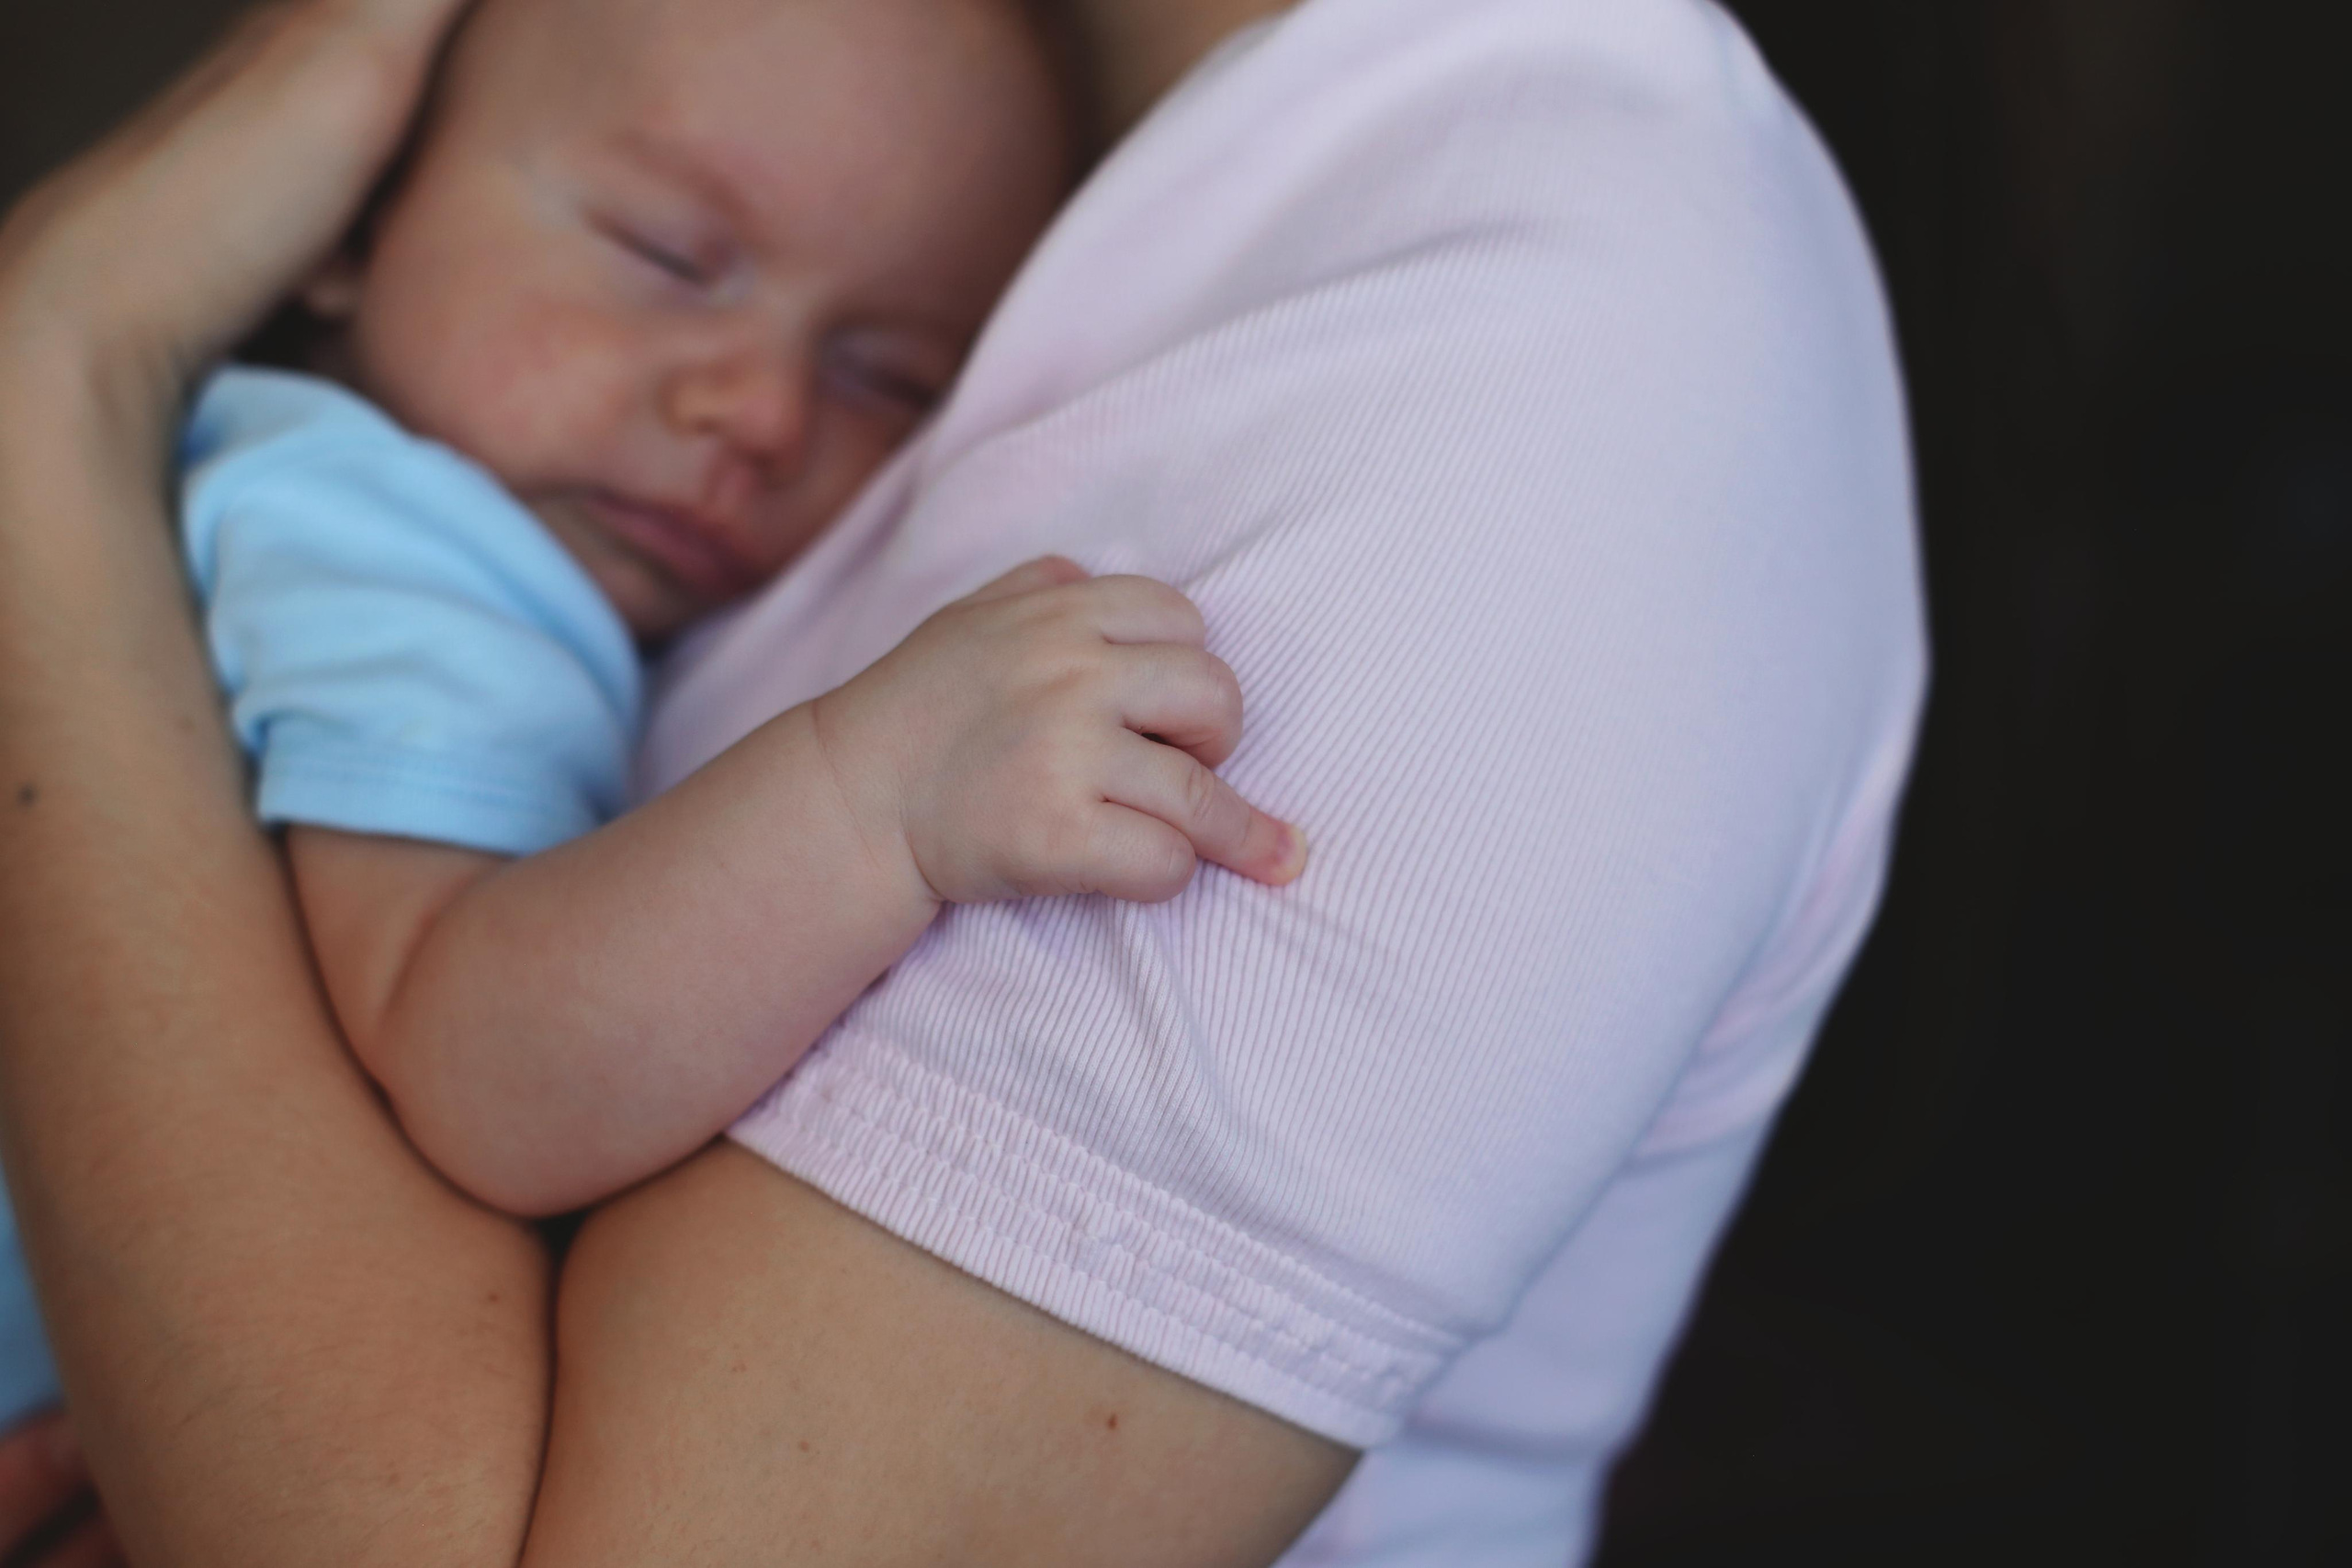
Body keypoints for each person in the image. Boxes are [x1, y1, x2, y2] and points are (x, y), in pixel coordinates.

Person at [0, 0, 1927, 1563]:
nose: (752, 408)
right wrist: (867, 797)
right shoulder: (388, 547)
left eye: (891, 375)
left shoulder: (1538, 331)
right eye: (667, 252)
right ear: (354, 195)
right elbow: (474, 1051)